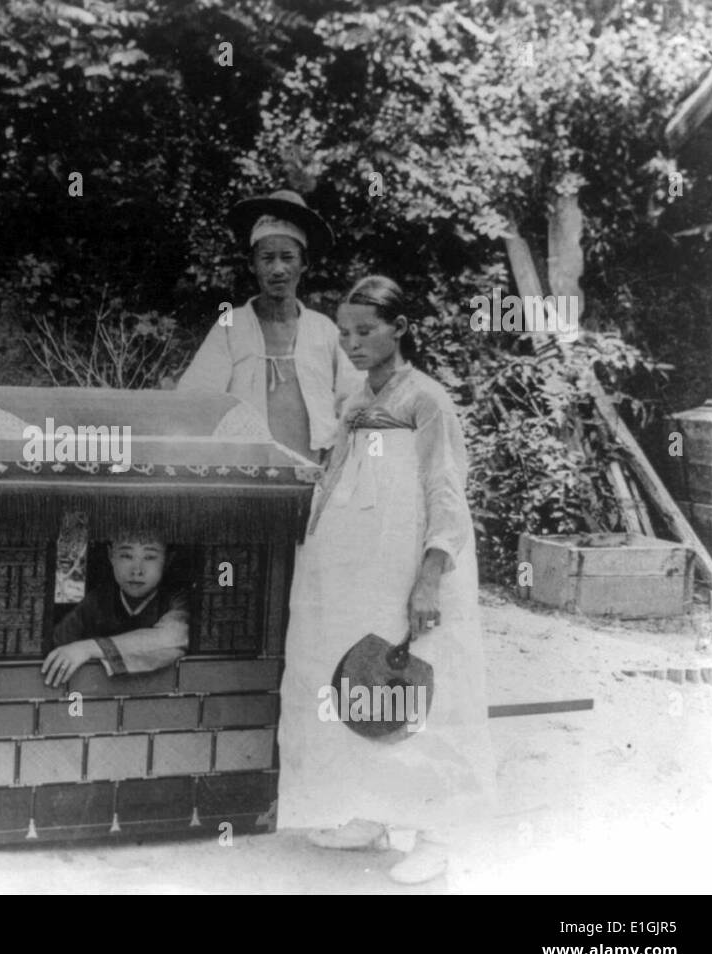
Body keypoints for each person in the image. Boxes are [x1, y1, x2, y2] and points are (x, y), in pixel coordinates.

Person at [277, 275, 496, 885]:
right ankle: (371, 813)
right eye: (344, 332)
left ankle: (438, 833)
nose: (351, 343)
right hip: (354, 571)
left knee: (423, 688)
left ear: (399, 329)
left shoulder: (426, 400)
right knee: (359, 679)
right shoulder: (352, 405)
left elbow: (445, 492)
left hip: (410, 566)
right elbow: (332, 487)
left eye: (366, 331)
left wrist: (430, 578)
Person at [176, 189, 363, 462]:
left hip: (317, 473)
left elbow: (357, 399)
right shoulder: (231, 327)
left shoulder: (323, 331)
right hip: (248, 474)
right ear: (253, 264)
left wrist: (338, 454)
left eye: (287, 257)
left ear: (304, 263)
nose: (278, 269)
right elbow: (197, 399)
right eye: (267, 258)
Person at [41, 530, 190, 688]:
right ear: (111, 556)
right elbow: (59, 642)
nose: (137, 570)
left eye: (150, 557)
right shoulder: (96, 600)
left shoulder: (176, 601)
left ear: (167, 560)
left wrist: (88, 648)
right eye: (126, 556)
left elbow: (172, 638)